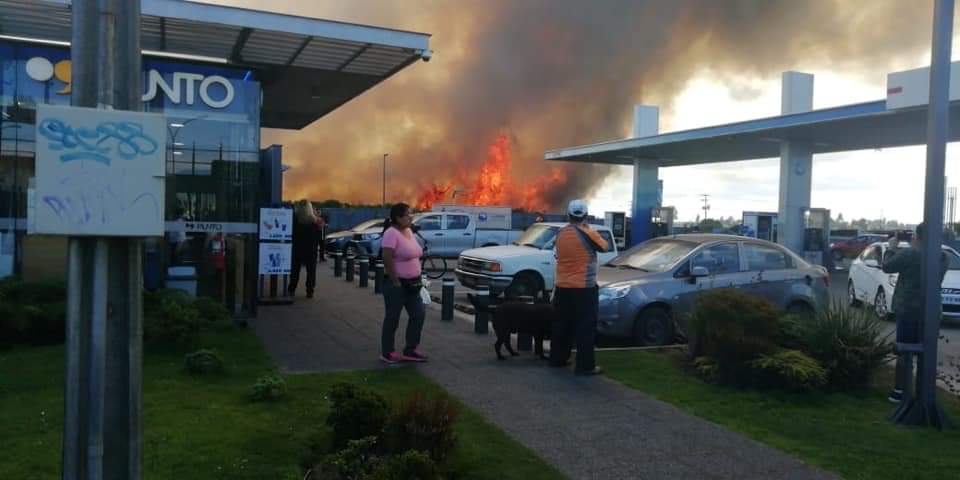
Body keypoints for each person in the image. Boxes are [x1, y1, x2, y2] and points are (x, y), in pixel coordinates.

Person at [881, 223, 947, 403]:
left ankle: (900, 391)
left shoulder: (910, 253)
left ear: (917, 236)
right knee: (926, 351)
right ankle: (924, 391)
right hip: (932, 311)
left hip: (908, 310)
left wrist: (892, 248)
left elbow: (887, 266)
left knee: (904, 351)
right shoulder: (942, 256)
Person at [549, 199, 610, 376]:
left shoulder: (560, 233)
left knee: (562, 325)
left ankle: (557, 359)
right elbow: (604, 247)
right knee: (585, 327)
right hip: (583, 288)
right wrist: (588, 228)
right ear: (585, 215)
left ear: (568, 215)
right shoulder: (587, 233)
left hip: (562, 287)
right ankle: (585, 366)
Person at [379, 202, 428, 364]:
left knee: (418, 314)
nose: (411, 217)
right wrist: (395, 280)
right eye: (408, 214)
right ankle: (388, 352)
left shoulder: (408, 231)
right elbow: (387, 257)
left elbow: (414, 252)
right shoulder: (391, 233)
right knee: (393, 318)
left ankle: (411, 349)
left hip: (414, 283)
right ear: (398, 218)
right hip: (397, 285)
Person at [288, 199, 322, 298]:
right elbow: (318, 238)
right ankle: (309, 290)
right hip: (311, 249)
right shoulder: (315, 222)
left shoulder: (295, 220)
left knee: (295, 270)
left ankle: (292, 289)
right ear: (310, 209)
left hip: (297, 248)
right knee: (311, 271)